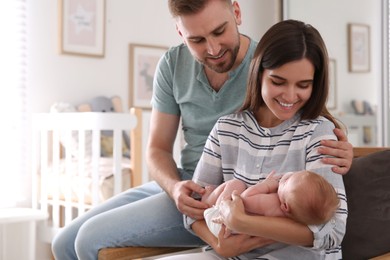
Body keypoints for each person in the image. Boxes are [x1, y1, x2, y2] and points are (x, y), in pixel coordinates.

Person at [51, 1, 353, 259]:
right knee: (63, 243)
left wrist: (340, 140)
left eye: (219, 32)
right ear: (181, 33)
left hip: (233, 195)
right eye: (197, 39)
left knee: (88, 239)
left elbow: (305, 110)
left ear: (236, 12)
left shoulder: (271, 61)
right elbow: (157, 148)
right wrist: (175, 189)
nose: (213, 48)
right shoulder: (174, 66)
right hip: (191, 187)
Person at [157, 19, 348, 260]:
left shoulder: (319, 133)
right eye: (278, 82)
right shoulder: (226, 129)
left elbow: (333, 231)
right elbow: (193, 209)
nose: (290, 96)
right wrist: (219, 243)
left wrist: (242, 222)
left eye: (303, 85)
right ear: (259, 74)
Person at [201, 170, 340, 238]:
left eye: (285, 182)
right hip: (232, 229)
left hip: (221, 220)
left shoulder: (271, 203)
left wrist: (266, 185)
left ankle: (207, 200)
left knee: (235, 184)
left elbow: (245, 198)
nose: (285, 177)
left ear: (285, 206)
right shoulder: (296, 214)